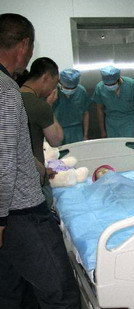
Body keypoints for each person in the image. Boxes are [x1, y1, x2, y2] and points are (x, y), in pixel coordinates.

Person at [0, 13, 81, 309]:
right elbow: (4, 164)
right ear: (23, 47)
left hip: (11, 213)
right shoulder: (7, 92)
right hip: (19, 215)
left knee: (15, 304)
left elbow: (13, 153)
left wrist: (41, 170)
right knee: (63, 303)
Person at [20, 57, 64, 208]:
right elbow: (56, 140)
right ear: (46, 77)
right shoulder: (39, 106)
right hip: (34, 183)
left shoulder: (10, 97)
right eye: (55, 82)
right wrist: (49, 106)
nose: (54, 88)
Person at [92, 65, 134, 138]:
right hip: (111, 124)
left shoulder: (131, 85)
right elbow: (99, 108)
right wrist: (102, 130)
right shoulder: (100, 88)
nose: (110, 86)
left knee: (131, 147)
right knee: (115, 147)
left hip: (130, 122)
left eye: (112, 84)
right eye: (107, 84)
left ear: (118, 79)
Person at [53, 68, 92, 144]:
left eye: (73, 88)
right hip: (59, 131)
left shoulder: (81, 91)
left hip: (77, 132)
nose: (70, 90)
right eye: (67, 87)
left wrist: (85, 135)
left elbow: (85, 113)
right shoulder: (53, 93)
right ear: (60, 83)